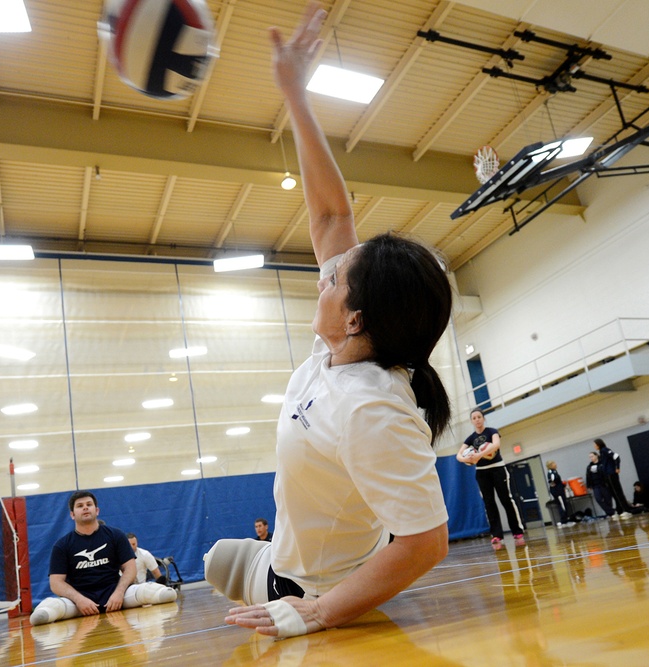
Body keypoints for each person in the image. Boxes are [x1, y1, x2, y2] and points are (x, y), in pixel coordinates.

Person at [204, 3, 453, 638]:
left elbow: (426, 542)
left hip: (317, 587)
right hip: (282, 553)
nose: (327, 272)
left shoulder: (371, 406)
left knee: (239, 588)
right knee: (214, 561)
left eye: (337, 277)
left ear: (354, 317)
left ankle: (310, 595)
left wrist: (317, 612)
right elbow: (329, 216)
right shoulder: (343, 351)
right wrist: (294, 92)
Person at [29, 491, 177, 625]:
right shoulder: (62, 545)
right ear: (72, 514)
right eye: (80, 506)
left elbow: (130, 568)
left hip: (116, 596)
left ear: (97, 510)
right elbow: (56, 583)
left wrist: (119, 593)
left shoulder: (116, 535)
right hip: (79, 601)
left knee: (164, 594)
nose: (85, 508)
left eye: (89, 504)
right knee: (42, 615)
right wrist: (80, 600)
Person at [458, 409, 525, 548]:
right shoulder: (470, 439)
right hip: (482, 473)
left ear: (483, 418)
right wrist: (467, 458)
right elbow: (458, 456)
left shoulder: (492, 431)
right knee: (489, 503)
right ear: (471, 421)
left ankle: (517, 531)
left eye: (479, 417)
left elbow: (496, 445)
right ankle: (496, 535)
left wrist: (479, 455)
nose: (477, 419)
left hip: (498, 469)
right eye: (474, 418)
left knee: (506, 499)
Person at [594, 439, 633, 518]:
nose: (594, 446)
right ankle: (620, 510)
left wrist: (617, 467)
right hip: (607, 475)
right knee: (613, 493)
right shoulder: (601, 452)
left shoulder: (605, 450)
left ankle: (626, 510)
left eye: (595, 444)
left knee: (617, 492)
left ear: (598, 444)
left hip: (611, 474)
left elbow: (616, 457)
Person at [585, 451, 616, 519]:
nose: (591, 458)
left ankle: (610, 514)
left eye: (592, 456)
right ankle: (612, 511)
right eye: (590, 457)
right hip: (595, 485)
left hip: (604, 484)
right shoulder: (589, 467)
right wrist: (589, 485)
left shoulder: (602, 464)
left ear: (596, 456)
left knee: (608, 499)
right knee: (598, 499)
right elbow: (588, 476)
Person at [545, 460, 573, 527]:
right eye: (554, 463)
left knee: (564, 504)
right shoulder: (551, 472)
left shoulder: (555, 471)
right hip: (557, 491)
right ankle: (564, 521)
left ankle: (565, 519)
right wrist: (553, 484)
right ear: (551, 465)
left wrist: (563, 485)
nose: (556, 464)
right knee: (561, 505)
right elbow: (552, 480)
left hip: (559, 490)